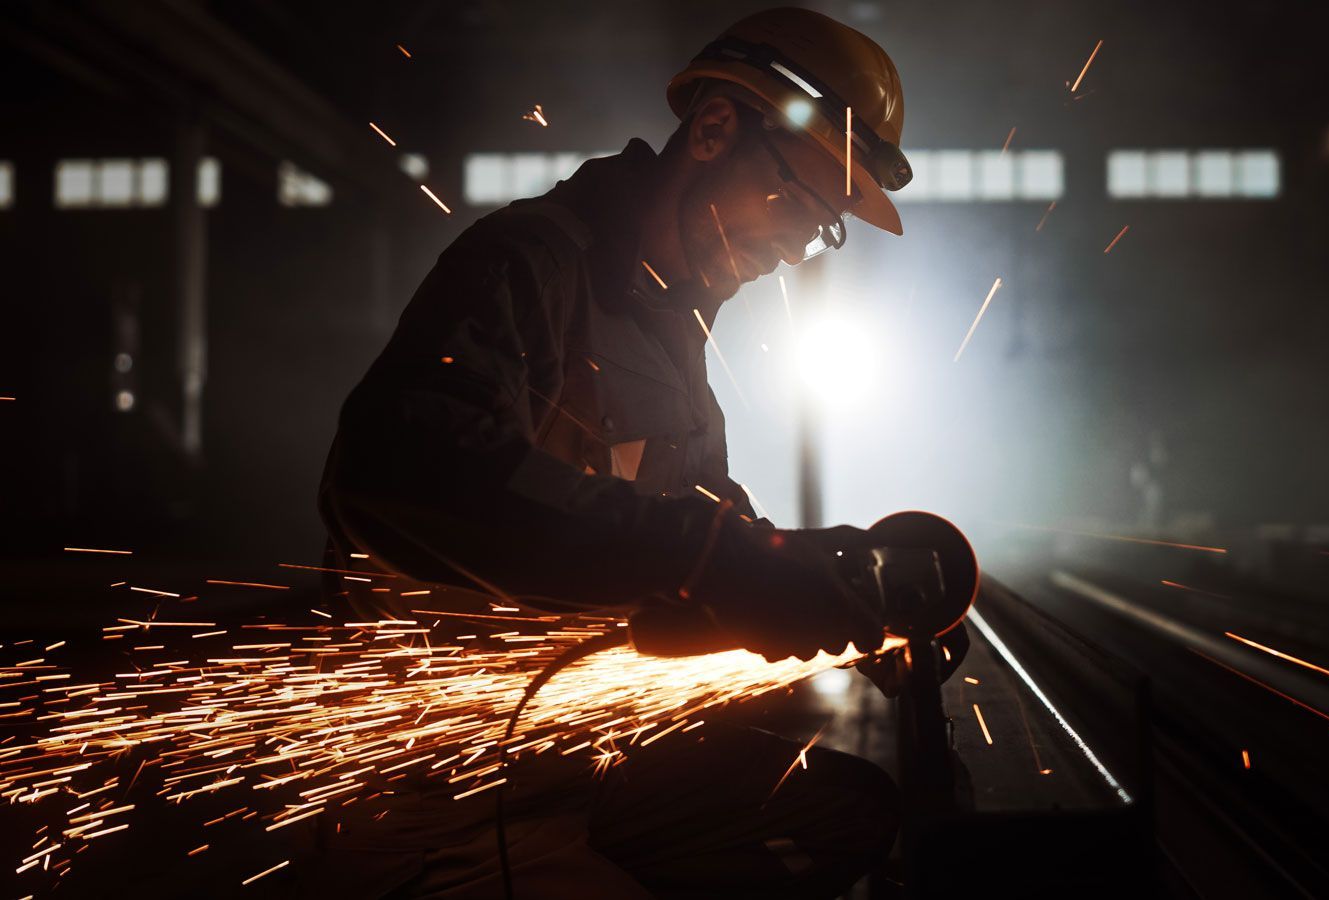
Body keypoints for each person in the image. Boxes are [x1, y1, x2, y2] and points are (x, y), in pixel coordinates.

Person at [303, 9, 923, 897]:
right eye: (795, 199)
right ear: (714, 129)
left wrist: (838, 591)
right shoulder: (530, 265)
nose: (793, 247)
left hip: (577, 760)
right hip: (440, 790)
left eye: (822, 224)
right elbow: (392, 465)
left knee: (847, 814)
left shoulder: (671, 324)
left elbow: (702, 520)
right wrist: (703, 557)